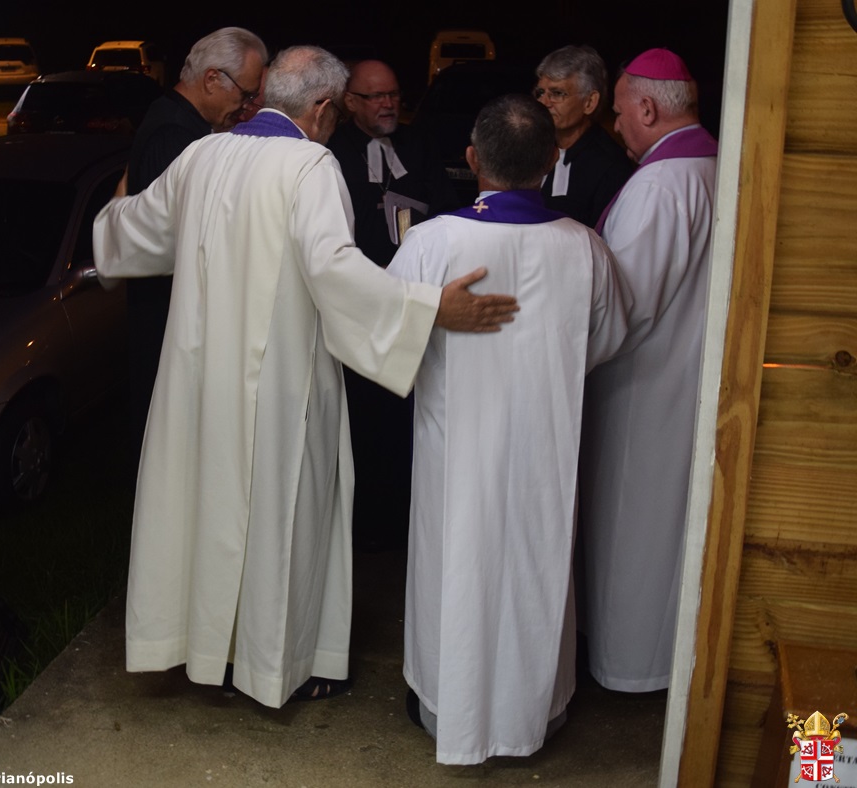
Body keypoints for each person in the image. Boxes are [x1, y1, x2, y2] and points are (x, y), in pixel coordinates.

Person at [93, 45, 520, 709]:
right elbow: (334, 271)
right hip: (280, 383)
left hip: (200, 383)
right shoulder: (311, 165)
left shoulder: (202, 154)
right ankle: (276, 664)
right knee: (286, 514)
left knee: (208, 510)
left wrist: (113, 207)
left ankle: (212, 653)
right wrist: (431, 308)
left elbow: (135, 228)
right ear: (322, 109)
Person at [386, 93, 628, 765]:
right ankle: (536, 711)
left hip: (458, 444)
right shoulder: (585, 248)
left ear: (472, 159)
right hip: (545, 441)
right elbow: (607, 337)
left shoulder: (432, 241)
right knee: (534, 563)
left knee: (455, 563)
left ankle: (446, 708)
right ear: (551, 162)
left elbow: (386, 333)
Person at [579, 48, 719, 693]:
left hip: (643, 390)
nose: (616, 126)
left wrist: (563, 353)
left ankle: (628, 666)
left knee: (634, 530)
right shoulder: (712, 167)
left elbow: (625, 306)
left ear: (647, 107)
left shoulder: (661, 185)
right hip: (686, 381)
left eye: (618, 112)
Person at [327, 60, 459, 551]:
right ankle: (361, 528)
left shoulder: (418, 144)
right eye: (376, 96)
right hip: (357, 301)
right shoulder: (331, 152)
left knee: (405, 413)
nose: (388, 104)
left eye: (394, 94)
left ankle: (404, 522)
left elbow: (445, 209)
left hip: (412, 300)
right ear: (350, 103)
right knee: (361, 416)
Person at [123, 27, 268, 471]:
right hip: (168, 324)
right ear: (211, 79)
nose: (246, 107)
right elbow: (186, 242)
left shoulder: (179, 120)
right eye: (245, 94)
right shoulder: (175, 135)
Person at [534, 45, 635, 227]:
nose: (544, 102)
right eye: (541, 93)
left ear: (589, 102)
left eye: (557, 93)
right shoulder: (530, 149)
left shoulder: (612, 168)